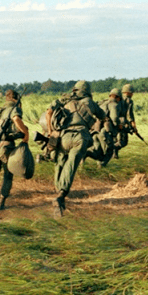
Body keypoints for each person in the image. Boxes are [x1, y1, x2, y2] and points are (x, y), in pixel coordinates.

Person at [46, 80, 106, 218]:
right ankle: (61, 195)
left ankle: (58, 190)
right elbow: (103, 117)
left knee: (60, 163)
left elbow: (48, 112)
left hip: (64, 136)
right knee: (71, 165)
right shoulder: (90, 102)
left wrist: (50, 131)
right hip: (80, 137)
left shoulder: (65, 99)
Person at [86, 88, 121, 167]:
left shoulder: (102, 103)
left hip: (95, 131)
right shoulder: (114, 104)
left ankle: (86, 153)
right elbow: (114, 118)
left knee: (97, 151)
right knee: (109, 151)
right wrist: (118, 125)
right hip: (104, 132)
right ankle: (102, 167)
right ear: (117, 97)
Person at [114, 83, 136, 158]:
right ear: (128, 92)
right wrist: (133, 125)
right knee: (123, 142)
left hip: (114, 121)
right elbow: (129, 114)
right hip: (122, 122)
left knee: (115, 139)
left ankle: (114, 154)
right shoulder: (128, 100)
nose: (132, 94)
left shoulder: (117, 98)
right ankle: (112, 151)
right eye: (131, 92)